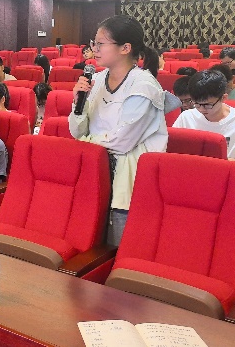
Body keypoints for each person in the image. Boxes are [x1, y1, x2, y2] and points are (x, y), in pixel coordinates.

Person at [69, 15, 167, 246]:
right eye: (94, 43)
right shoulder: (96, 80)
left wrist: (85, 143)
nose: (94, 49)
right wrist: (78, 102)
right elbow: (76, 132)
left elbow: (122, 142)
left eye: (100, 44)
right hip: (95, 168)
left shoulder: (143, 86)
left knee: (118, 247)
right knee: (88, 242)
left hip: (128, 178)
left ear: (125, 48)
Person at [173, 70, 235, 159]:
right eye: (197, 104)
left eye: (207, 105)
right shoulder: (186, 117)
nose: (201, 109)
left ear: (223, 98)